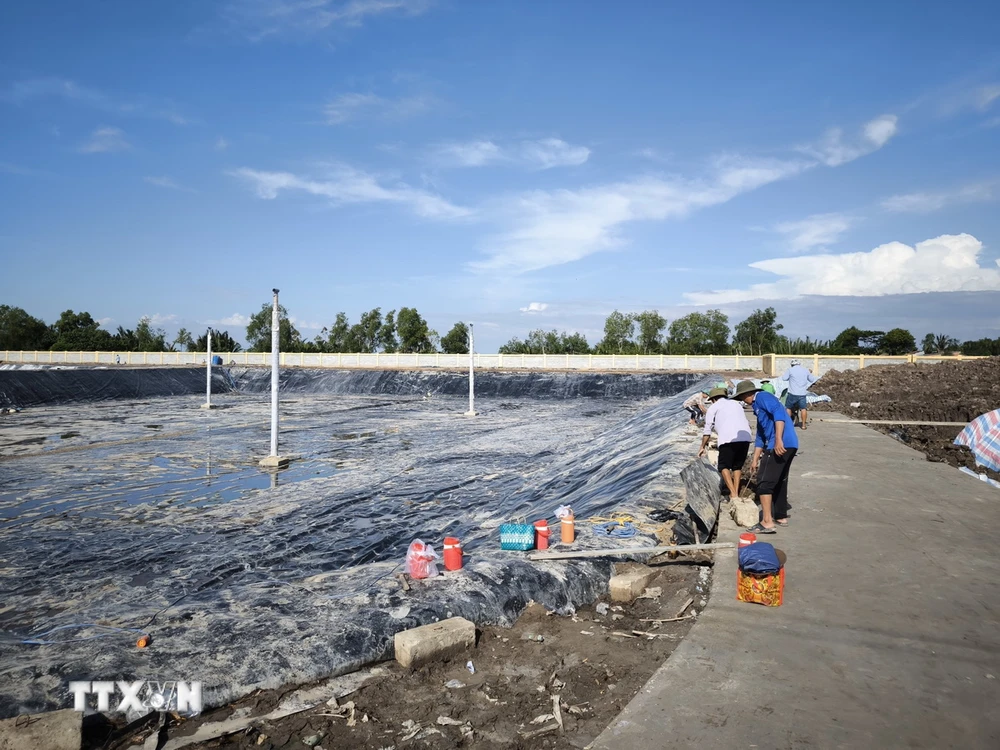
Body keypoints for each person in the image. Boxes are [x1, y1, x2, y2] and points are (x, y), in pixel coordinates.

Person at [732, 379, 799, 534]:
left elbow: (779, 414)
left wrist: (778, 439)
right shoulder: (757, 407)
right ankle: (780, 516)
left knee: (764, 480)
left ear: (749, 393)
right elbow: (761, 435)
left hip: (782, 443)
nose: (743, 401)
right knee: (780, 479)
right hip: (790, 443)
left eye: (743, 397)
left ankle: (767, 521)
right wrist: (755, 458)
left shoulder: (762, 397)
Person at [698, 387, 753, 501]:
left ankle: (733, 494)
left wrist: (702, 447)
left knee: (723, 466)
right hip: (745, 437)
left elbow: (707, 429)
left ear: (713, 399)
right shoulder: (736, 404)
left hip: (728, 438)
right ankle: (736, 491)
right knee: (737, 466)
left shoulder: (714, 407)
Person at [782, 359, 819, 430]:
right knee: (803, 409)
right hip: (802, 394)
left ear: (792, 365)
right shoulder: (805, 370)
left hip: (792, 393)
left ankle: (788, 424)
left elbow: (784, 378)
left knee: (788, 408)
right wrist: (809, 373)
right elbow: (812, 379)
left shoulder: (790, 370)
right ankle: (803, 425)